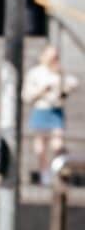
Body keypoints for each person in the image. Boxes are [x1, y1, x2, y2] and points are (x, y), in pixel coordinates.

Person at [23, 44, 78, 185]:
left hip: (55, 111)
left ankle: (59, 170)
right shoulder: (35, 73)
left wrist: (63, 82)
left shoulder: (59, 72)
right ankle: (44, 173)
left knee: (57, 144)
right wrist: (42, 90)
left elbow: (73, 83)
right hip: (41, 110)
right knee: (40, 147)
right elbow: (27, 95)